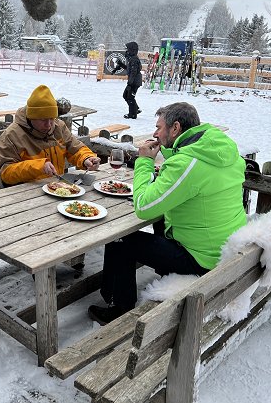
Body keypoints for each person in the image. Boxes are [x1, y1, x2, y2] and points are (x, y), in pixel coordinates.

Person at [88, 102, 247, 325]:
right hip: (224, 246)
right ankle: (156, 271)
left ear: (175, 128)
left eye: (159, 127)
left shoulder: (187, 163)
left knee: (120, 240)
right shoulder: (220, 150)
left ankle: (118, 308)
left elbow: (143, 207)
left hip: (203, 260)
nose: (155, 133)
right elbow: (196, 185)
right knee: (161, 223)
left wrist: (144, 161)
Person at [0, 85, 100, 185]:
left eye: (51, 118)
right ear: (31, 117)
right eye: (43, 119)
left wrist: (86, 158)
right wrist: (39, 167)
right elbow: (6, 174)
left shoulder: (59, 126)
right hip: (26, 193)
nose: (49, 125)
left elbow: (75, 148)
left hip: (57, 187)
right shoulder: (11, 136)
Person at [111, 41, 142, 119]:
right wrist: (121, 64)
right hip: (133, 81)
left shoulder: (134, 59)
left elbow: (133, 73)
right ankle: (135, 109)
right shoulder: (131, 58)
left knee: (129, 97)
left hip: (134, 82)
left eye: (128, 49)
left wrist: (130, 84)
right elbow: (129, 69)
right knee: (126, 95)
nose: (126, 51)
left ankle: (133, 114)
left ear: (132, 50)